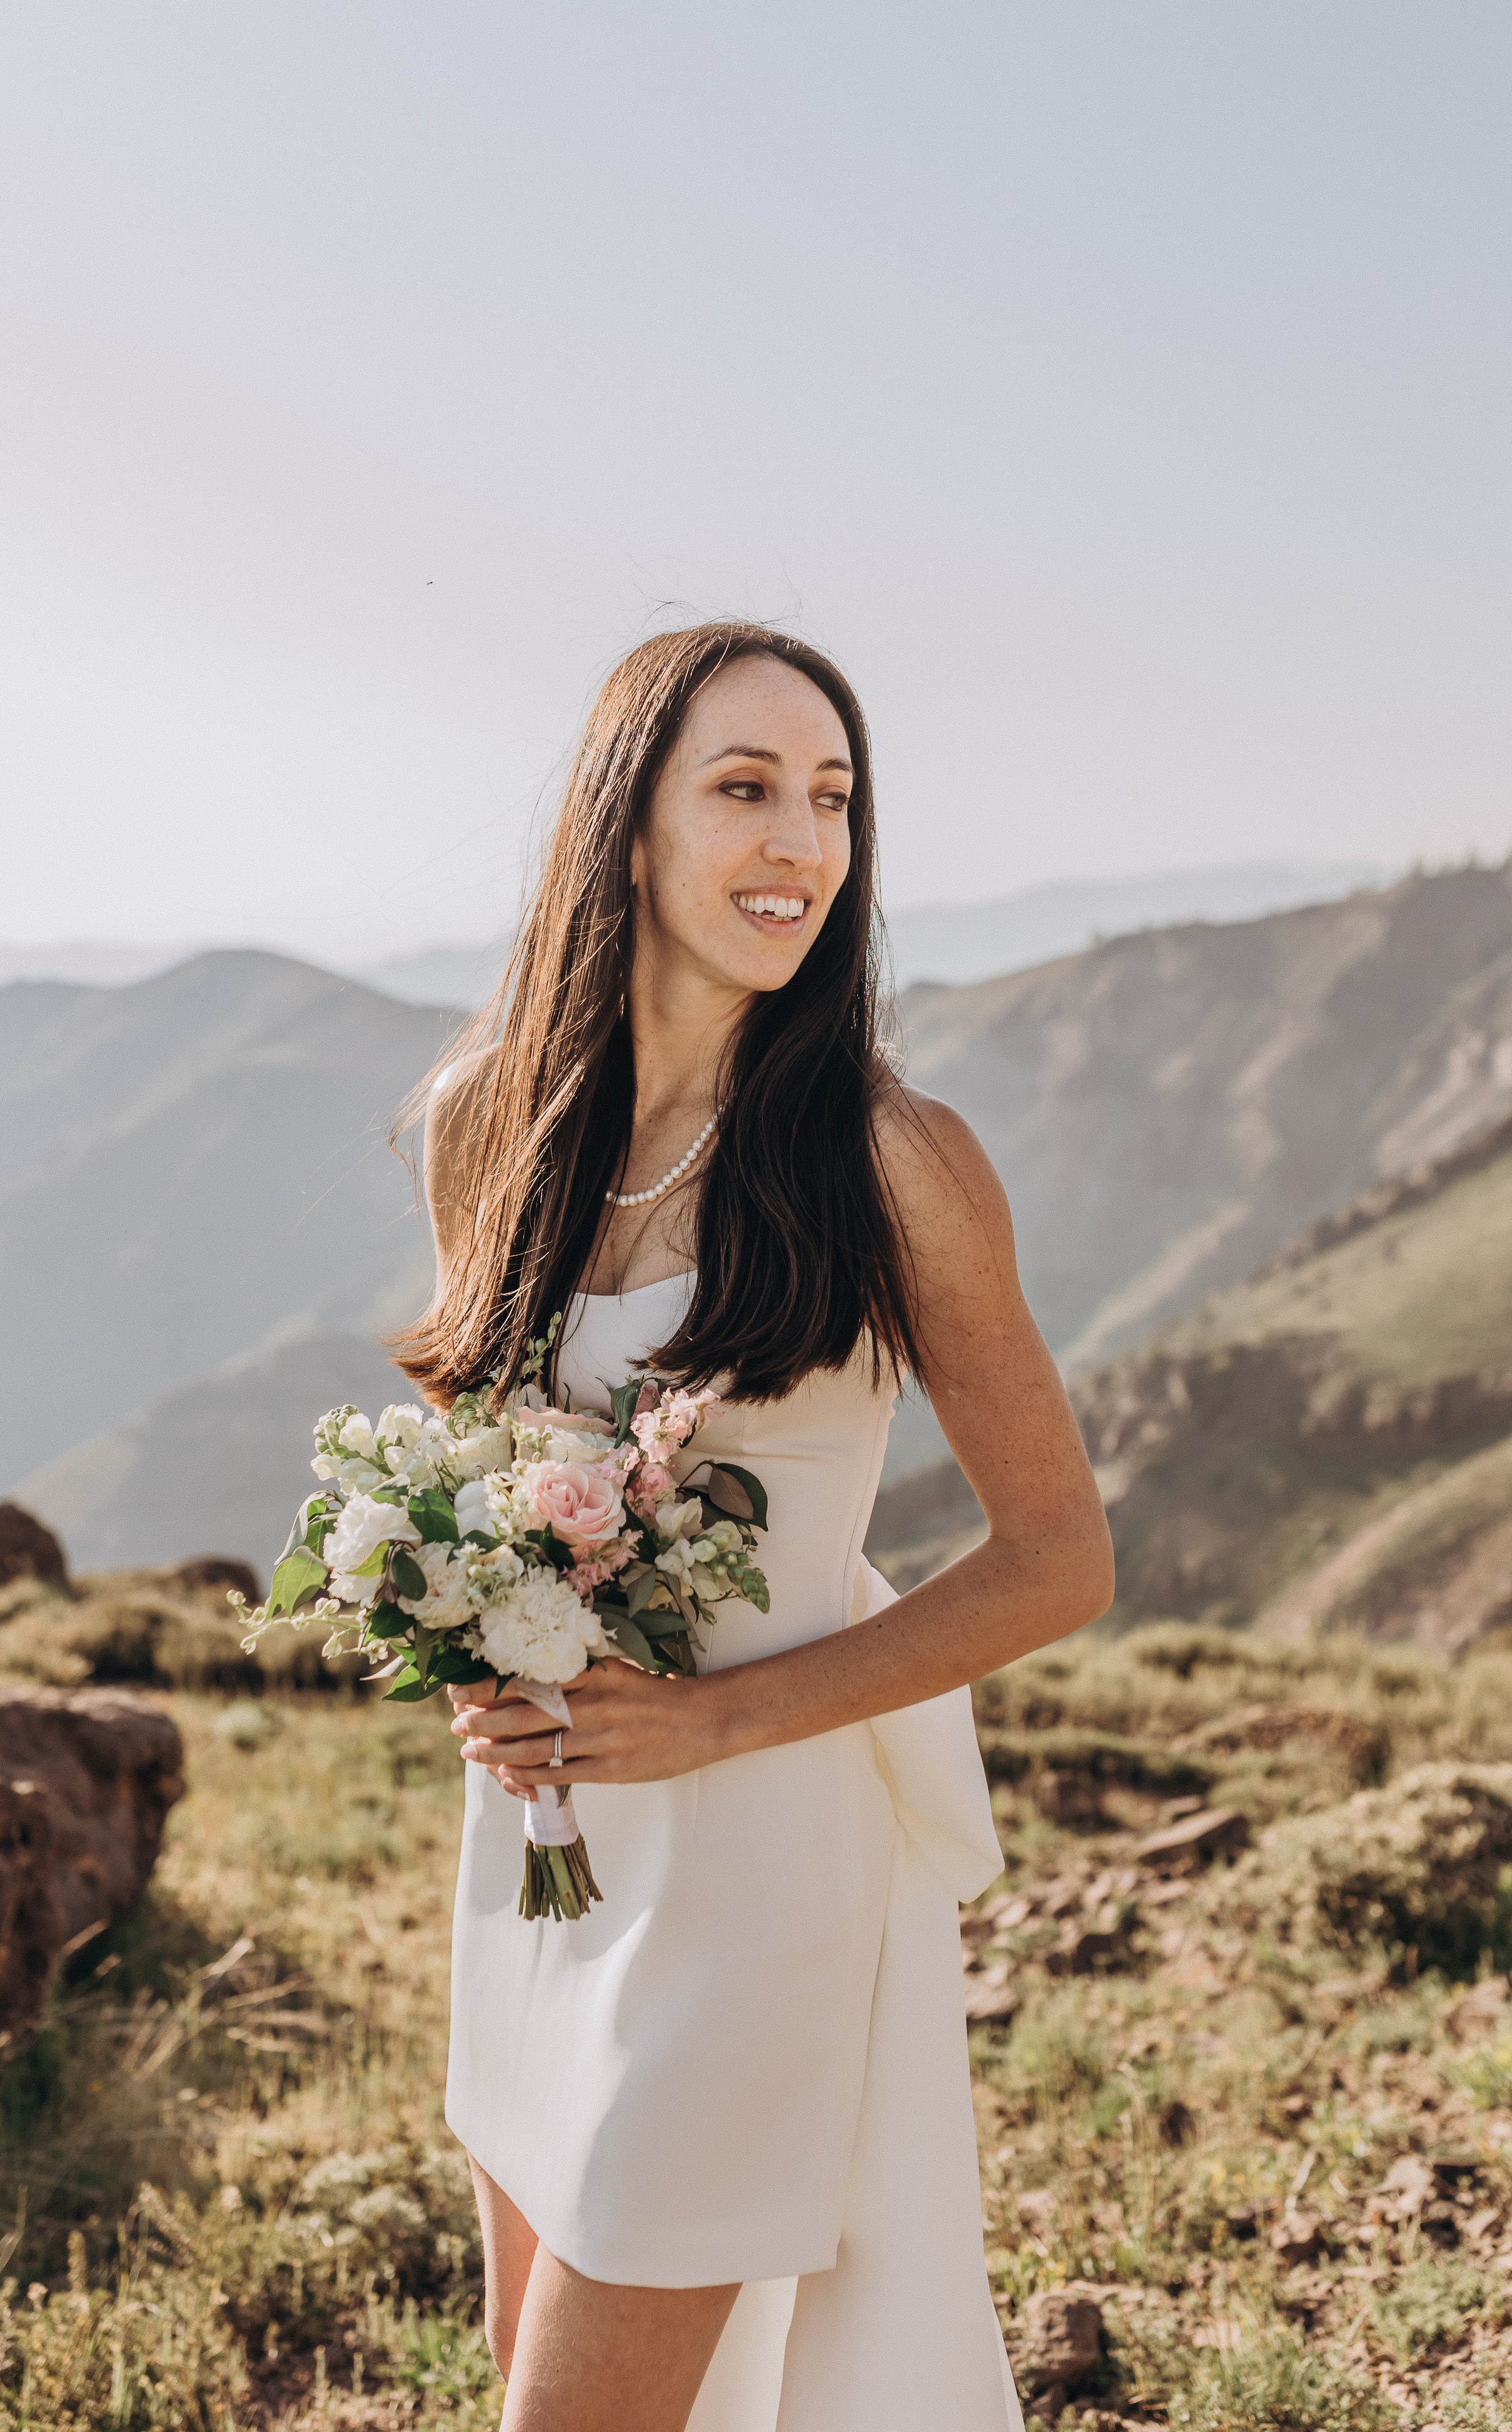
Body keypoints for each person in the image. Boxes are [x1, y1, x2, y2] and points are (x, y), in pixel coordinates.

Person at [390, 621, 1114, 2431]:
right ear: (627, 826)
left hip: (763, 1873)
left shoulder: (891, 1159)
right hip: (541, 1848)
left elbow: (1059, 1560)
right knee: (526, 2385)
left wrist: (707, 1721)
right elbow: (468, 1464)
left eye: (833, 797)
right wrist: (469, 1631)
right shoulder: (491, 1122)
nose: (800, 842)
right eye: (744, 790)